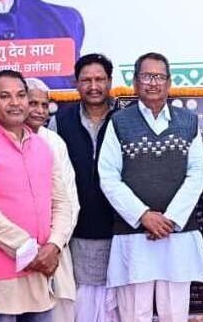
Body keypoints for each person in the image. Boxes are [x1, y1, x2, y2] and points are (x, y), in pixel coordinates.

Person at [0, 70, 75, 321]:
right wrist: (33, 253)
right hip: (1, 277)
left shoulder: (43, 146)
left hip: (41, 273)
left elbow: (62, 202)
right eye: (5, 96)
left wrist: (54, 245)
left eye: (21, 95)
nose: (15, 103)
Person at [98, 52, 203, 322]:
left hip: (177, 233)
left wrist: (171, 218)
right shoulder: (119, 122)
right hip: (135, 235)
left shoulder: (188, 121)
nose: (153, 83)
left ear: (169, 83)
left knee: (175, 313)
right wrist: (143, 215)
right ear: (135, 82)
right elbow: (108, 176)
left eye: (159, 77)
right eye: (147, 76)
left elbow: (196, 173)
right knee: (135, 313)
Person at [49, 53, 119, 322]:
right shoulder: (61, 121)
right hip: (76, 231)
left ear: (110, 81)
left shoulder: (125, 120)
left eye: (100, 79)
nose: (93, 86)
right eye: (86, 80)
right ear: (75, 83)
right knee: (81, 306)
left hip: (120, 229)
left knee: (118, 305)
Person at [24, 78, 80, 322]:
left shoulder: (54, 142)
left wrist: (55, 245)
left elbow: (70, 200)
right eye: (33, 103)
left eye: (44, 105)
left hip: (55, 246)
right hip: (18, 250)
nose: (39, 110)